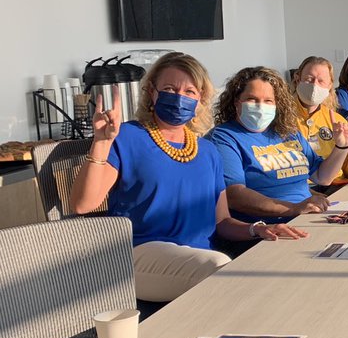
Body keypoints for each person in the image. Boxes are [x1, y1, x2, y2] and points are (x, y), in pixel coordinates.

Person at [69, 52, 306, 302]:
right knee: (219, 270)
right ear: (151, 92)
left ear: (200, 99)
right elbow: (83, 204)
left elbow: (222, 221)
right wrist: (101, 142)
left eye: (189, 91)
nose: (179, 97)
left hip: (199, 257)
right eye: (170, 89)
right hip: (138, 255)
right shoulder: (127, 136)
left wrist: (258, 229)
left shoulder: (207, 151)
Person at [210, 66, 348, 223]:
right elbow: (234, 195)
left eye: (268, 101)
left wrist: (342, 146)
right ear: (237, 101)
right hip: (268, 227)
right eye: (252, 99)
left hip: (307, 217)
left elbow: (322, 177)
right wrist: (293, 208)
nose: (260, 106)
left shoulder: (288, 132)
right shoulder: (224, 137)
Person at [291, 56, 348, 180]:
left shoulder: (337, 121)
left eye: (321, 81)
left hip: (335, 186)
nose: (315, 85)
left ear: (330, 85)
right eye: (309, 79)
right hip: (301, 187)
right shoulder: (282, 119)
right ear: (297, 79)